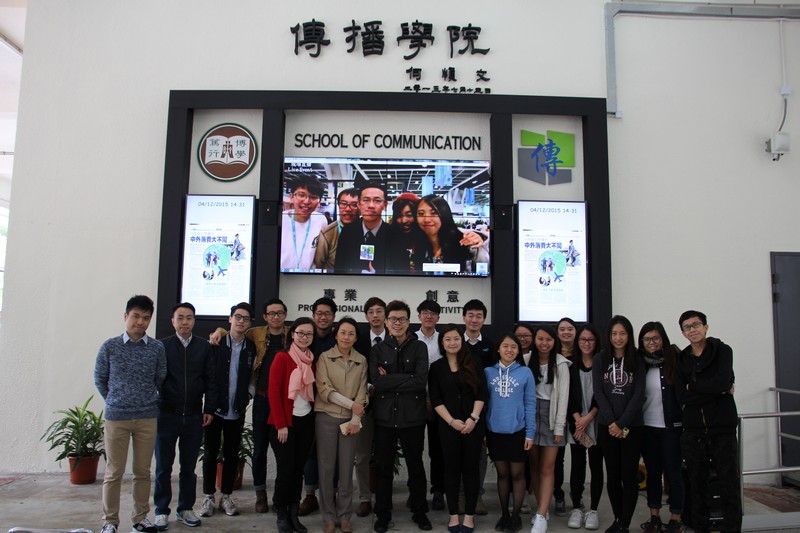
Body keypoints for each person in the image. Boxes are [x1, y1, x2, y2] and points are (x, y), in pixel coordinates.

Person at [209, 298, 290, 513]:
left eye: (280, 313)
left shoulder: (292, 334)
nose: (275, 317)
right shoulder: (257, 333)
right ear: (264, 317)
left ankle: (282, 496)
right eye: (271, 313)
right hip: (262, 400)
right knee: (259, 450)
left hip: (284, 402)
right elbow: (233, 332)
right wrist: (218, 330)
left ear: (285, 315)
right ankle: (260, 495)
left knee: (284, 450)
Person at [94, 295, 167, 533]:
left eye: (146, 318)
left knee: (143, 471)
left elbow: (160, 378)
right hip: (117, 417)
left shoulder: (156, 348)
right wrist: (116, 400)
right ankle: (110, 522)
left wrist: (143, 399)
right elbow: (100, 379)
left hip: (147, 417)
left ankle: (140, 518)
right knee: (114, 472)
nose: (140, 322)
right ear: (126, 316)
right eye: (136, 316)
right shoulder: (109, 346)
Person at [674, 310, 741, 533]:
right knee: (697, 486)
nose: (692, 330)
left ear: (706, 327)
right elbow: (682, 397)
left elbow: (722, 382)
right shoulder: (682, 359)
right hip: (693, 430)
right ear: (683, 332)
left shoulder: (723, 350)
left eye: (696, 325)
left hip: (723, 428)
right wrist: (714, 390)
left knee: (729, 484)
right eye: (687, 327)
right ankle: (700, 528)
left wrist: (693, 386)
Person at [370, 300, 432, 533]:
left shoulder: (419, 348)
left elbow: (420, 382)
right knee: (384, 468)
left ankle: (419, 512)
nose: (397, 323)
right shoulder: (377, 349)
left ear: (409, 322)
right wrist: (402, 378)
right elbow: (376, 382)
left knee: (416, 466)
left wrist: (389, 380)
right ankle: (383, 514)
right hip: (385, 418)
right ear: (386, 321)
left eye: (402, 319)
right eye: (393, 319)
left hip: (413, 417)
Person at [153, 302, 216, 530]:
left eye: (189, 318)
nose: (184, 322)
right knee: (163, 467)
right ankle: (161, 510)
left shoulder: (204, 347)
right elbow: (155, 380)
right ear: (173, 321)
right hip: (166, 414)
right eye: (180, 318)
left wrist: (208, 408)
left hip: (192, 416)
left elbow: (211, 380)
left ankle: (185, 508)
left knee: (188, 467)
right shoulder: (162, 347)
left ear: (194, 321)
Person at [429, 324, 488, 533]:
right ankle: (454, 515)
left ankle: (469, 516)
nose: (452, 343)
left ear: (461, 341)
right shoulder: (436, 368)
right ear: (442, 343)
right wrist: (452, 421)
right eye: (447, 340)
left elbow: (482, 393)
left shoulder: (474, 362)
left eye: (455, 339)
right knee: (451, 471)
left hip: (473, 425)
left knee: (471, 471)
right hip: (449, 426)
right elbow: (435, 399)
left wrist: (473, 418)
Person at [199, 302, 256, 519]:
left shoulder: (251, 348)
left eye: (246, 319)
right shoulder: (217, 342)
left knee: (232, 453)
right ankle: (208, 497)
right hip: (214, 410)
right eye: (238, 317)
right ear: (230, 319)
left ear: (250, 323)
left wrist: (248, 395)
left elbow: (252, 376)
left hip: (237, 409)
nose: (241, 321)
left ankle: (227, 496)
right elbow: (208, 376)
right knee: (211, 453)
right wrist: (208, 405)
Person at [315, 317, 369, 533]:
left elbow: (363, 391)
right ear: (336, 335)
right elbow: (324, 389)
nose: (346, 337)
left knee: (347, 470)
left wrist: (356, 419)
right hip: (327, 417)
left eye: (351, 334)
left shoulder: (361, 360)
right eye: (343, 333)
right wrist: (352, 405)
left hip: (351, 421)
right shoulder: (324, 358)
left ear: (356, 338)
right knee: (326, 469)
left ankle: (345, 516)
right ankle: (328, 517)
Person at [592, 316, 645, 533]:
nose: (618, 338)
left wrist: (622, 423)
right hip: (607, 427)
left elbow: (639, 394)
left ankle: (625, 523)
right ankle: (617, 519)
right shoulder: (600, 359)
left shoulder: (637, 359)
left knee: (629, 475)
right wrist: (612, 422)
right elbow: (599, 393)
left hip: (632, 427)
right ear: (609, 336)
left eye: (622, 333)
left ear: (629, 335)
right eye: (614, 333)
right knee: (612, 475)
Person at [268, 317, 317, 533]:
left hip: (305, 421)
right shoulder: (282, 358)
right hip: (284, 424)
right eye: (301, 333)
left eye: (309, 334)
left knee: (299, 471)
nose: (304, 337)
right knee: (286, 470)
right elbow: (273, 393)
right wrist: (281, 425)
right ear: (292, 334)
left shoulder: (311, 361)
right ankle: (281, 513)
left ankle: (293, 513)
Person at [484, 333, 536, 533]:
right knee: (502, 474)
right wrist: (484, 434)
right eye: (505, 346)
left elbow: (530, 404)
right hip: (494, 431)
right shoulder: (488, 372)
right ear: (498, 349)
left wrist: (530, 434)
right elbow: (484, 403)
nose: (509, 350)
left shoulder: (525, 373)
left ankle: (515, 516)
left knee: (518, 474)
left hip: (518, 431)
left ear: (518, 350)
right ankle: (504, 514)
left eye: (514, 347)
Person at [637, 321, 685, 533]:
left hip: (671, 427)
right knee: (653, 474)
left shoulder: (675, 358)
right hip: (647, 427)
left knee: (673, 474)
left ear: (663, 339)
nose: (651, 343)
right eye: (647, 339)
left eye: (655, 338)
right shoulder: (640, 362)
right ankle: (654, 517)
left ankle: (675, 518)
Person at [528, 325, 571, 533]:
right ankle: (541, 511)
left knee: (547, 467)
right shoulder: (527, 359)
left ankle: (541, 515)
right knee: (534, 465)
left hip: (552, 416)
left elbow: (563, 398)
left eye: (548, 340)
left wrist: (560, 427)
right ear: (535, 340)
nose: (544, 343)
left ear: (555, 342)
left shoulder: (561, 364)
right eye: (540, 339)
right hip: (531, 414)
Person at [298, 296, 338, 516]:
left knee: (333, 451)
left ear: (333, 317)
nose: (323, 317)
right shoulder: (304, 337)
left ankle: (330, 494)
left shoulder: (339, 338)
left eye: (327, 314)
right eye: (319, 313)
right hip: (306, 401)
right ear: (313, 316)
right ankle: (310, 495)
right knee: (309, 450)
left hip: (333, 402)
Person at [565, 323, 604, 531]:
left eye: (590, 340)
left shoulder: (603, 363)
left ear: (596, 341)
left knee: (596, 467)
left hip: (597, 422)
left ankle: (594, 509)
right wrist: (578, 419)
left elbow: (603, 393)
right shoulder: (570, 365)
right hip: (576, 422)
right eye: (582, 340)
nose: (586, 343)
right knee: (578, 466)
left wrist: (588, 418)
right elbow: (568, 395)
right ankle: (577, 507)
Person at [352, 296, 387, 517]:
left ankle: (384, 498)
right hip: (362, 406)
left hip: (389, 406)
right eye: (371, 312)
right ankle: (365, 497)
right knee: (362, 455)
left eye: (379, 311)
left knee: (385, 455)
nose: (375, 315)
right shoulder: (358, 340)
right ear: (366, 316)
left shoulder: (397, 339)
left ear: (385, 315)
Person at [463, 298, 494, 514]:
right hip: (456, 407)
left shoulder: (490, 346)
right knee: (457, 455)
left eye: (479, 316)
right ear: (464, 317)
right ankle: (460, 496)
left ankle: (478, 496)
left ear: (484, 319)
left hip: (481, 407)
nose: (474, 320)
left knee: (479, 455)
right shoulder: (455, 341)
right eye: (471, 315)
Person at [416, 299, 445, 511]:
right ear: (418, 316)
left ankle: (437, 491)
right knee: (414, 450)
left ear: (438, 317)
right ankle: (415, 491)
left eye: (433, 313)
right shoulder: (410, 338)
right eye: (425, 312)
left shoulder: (444, 339)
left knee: (437, 450)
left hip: (438, 403)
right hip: (414, 401)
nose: (429, 316)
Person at [415, 194, 489, 273]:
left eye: (434, 213)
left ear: (444, 215)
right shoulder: (417, 246)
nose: (426, 219)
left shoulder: (470, 245)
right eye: (421, 214)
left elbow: (484, 279)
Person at [335, 181, 389, 273]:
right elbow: (339, 268)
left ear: (385, 205)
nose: (371, 205)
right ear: (359, 205)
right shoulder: (347, 232)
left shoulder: (395, 235)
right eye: (366, 200)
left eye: (377, 200)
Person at [553, 317, 578, 517]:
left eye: (570, 328)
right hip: (558, 410)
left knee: (578, 458)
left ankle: (577, 500)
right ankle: (558, 495)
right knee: (557, 459)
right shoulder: (553, 355)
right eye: (562, 329)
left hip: (579, 414)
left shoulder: (582, 353)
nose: (566, 332)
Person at [280, 175, 328, 271]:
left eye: (313, 197)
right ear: (291, 197)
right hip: (281, 277)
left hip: (308, 278)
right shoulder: (281, 219)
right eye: (301, 195)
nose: (306, 201)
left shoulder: (321, 220)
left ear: (319, 201)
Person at [313, 188, 359, 270]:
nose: (348, 209)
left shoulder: (366, 230)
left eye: (354, 205)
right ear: (338, 205)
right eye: (343, 204)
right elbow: (319, 264)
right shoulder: (328, 233)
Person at [385, 192, 425, 272]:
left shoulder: (427, 240)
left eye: (409, 215)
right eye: (399, 216)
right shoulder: (388, 239)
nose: (403, 221)